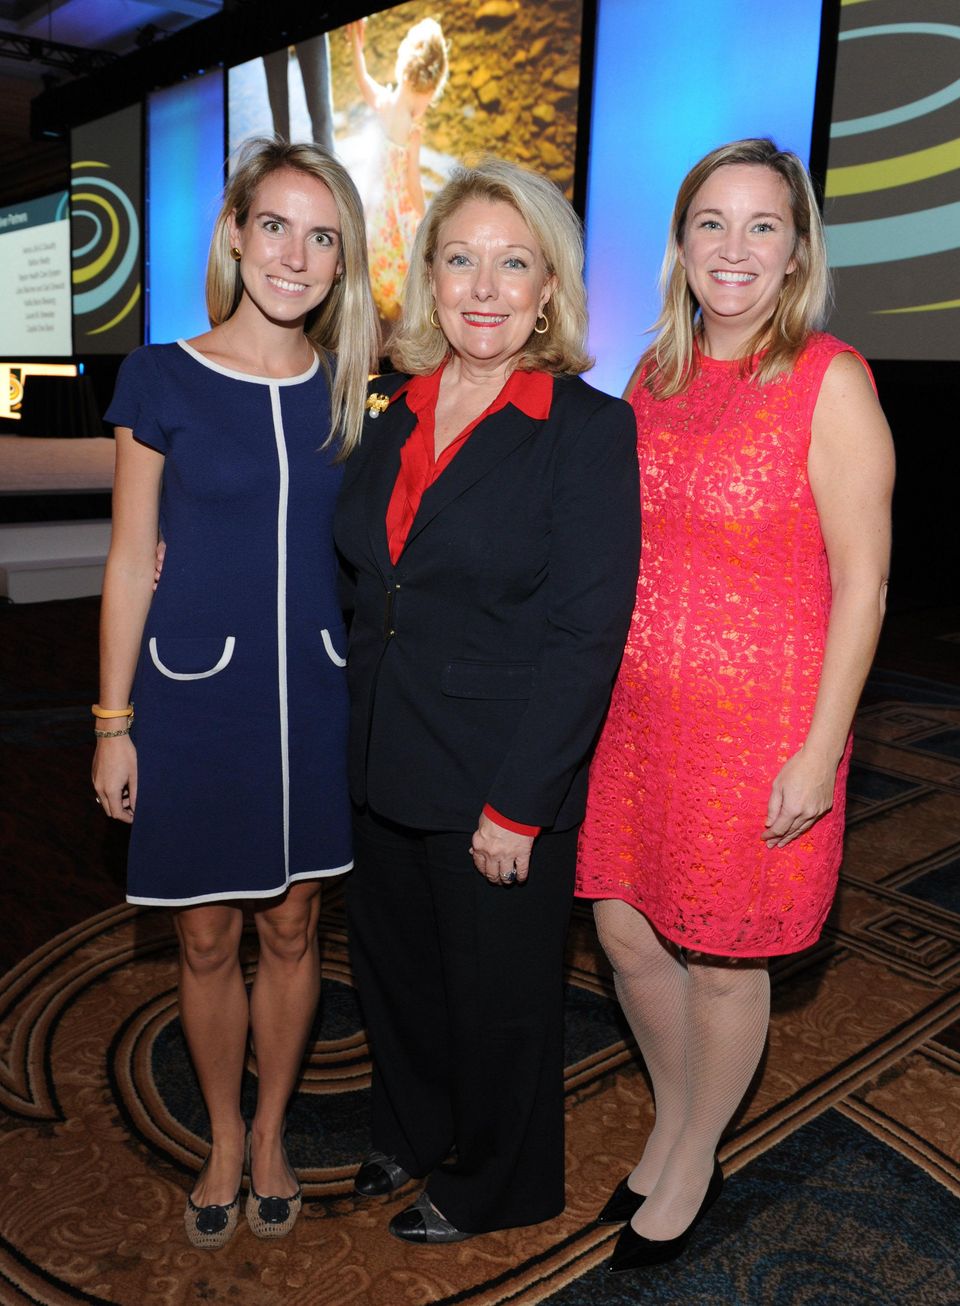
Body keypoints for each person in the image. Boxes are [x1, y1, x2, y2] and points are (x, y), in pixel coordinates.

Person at [575, 138, 895, 1274]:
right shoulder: (651, 377)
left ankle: (692, 1152)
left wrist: (819, 751)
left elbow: (863, 582)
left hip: (761, 728)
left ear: (797, 250)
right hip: (634, 721)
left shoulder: (828, 379)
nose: (734, 247)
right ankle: (679, 1117)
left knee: (721, 957)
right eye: (711, 222)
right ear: (679, 243)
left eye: (763, 225)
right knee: (623, 932)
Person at [334, 158, 640, 1241]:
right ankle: (414, 1128)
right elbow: (366, 578)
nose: (483, 286)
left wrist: (520, 805)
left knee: (497, 997)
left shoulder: (586, 430)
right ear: (429, 276)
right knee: (396, 974)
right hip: (379, 754)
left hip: (496, 776)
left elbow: (586, 635)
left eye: (513, 264)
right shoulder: (391, 408)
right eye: (460, 258)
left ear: (548, 289)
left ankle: (498, 1182)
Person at [92, 138, 379, 1250]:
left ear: (342, 261)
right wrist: (112, 724)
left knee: (296, 924)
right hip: (192, 702)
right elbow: (130, 560)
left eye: (322, 237)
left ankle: (269, 1134)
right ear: (233, 235)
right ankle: (220, 1135)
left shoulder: (351, 389)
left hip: (314, 699)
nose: (294, 257)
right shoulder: (159, 376)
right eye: (274, 226)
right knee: (206, 937)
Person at [345, 16, 449, 321]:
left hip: (376, 216)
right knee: (410, 277)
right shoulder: (412, 131)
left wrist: (357, 45)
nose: (425, 109)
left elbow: (362, 79)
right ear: (428, 89)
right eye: (428, 102)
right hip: (399, 222)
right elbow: (413, 185)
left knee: (379, 266)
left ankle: (380, 309)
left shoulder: (384, 102)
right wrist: (429, 221)